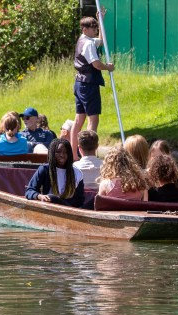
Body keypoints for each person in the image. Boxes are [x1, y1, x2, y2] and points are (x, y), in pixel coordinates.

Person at [71, 15, 115, 156]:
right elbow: (96, 64)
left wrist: (100, 21)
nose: (96, 29)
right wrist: (108, 67)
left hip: (80, 84)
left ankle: (73, 154)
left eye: (96, 27)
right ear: (85, 29)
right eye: (93, 27)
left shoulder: (83, 40)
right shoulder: (88, 44)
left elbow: (101, 41)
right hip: (88, 85)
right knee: (93, 119)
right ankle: (88, 155)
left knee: (79, 119)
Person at [25, 138, 86, 208]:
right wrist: (40, 196)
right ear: (52, 153)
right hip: (51, 206)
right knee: (52, 197)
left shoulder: (77, 173)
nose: (62, 155)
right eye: (58, 152)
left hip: (71, 209)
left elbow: (80, 200)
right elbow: (29, 191)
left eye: (65, 152)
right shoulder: (44, 169)